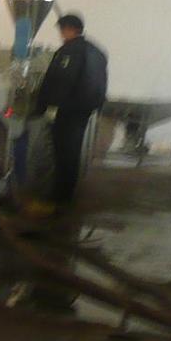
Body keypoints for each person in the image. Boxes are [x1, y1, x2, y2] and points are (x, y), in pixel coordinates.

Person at [29, 13, 108, 215]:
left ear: (69, 29)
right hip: (84, 110)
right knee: (72, 151)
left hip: (66, 111)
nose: (61, 34)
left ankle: (59, 197)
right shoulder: (97, 51)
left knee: (63, 153)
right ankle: (66, 194)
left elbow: (60, 81)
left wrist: (42, 106)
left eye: (62, 30)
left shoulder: (70, 51)